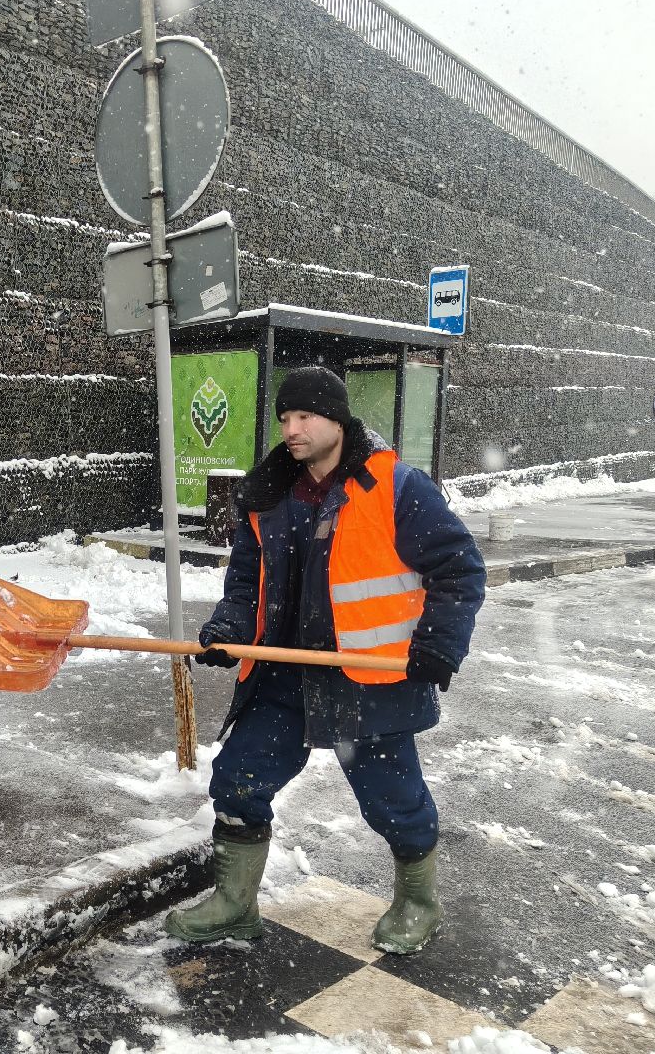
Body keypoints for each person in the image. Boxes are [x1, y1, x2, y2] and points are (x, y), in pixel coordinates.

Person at [164, 365, 486, 954]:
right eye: (285, 418)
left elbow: (459, 569)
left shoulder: (396, 488)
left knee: (394, 801)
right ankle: (235, 904)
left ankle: (419, 901)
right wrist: (229, 628)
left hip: (368, 678)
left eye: (305, 415)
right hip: (282, 673)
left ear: (336, 418)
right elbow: (245, 581)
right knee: (238, 780)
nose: (292, 428)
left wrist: (438, 644)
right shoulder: (268, 495)